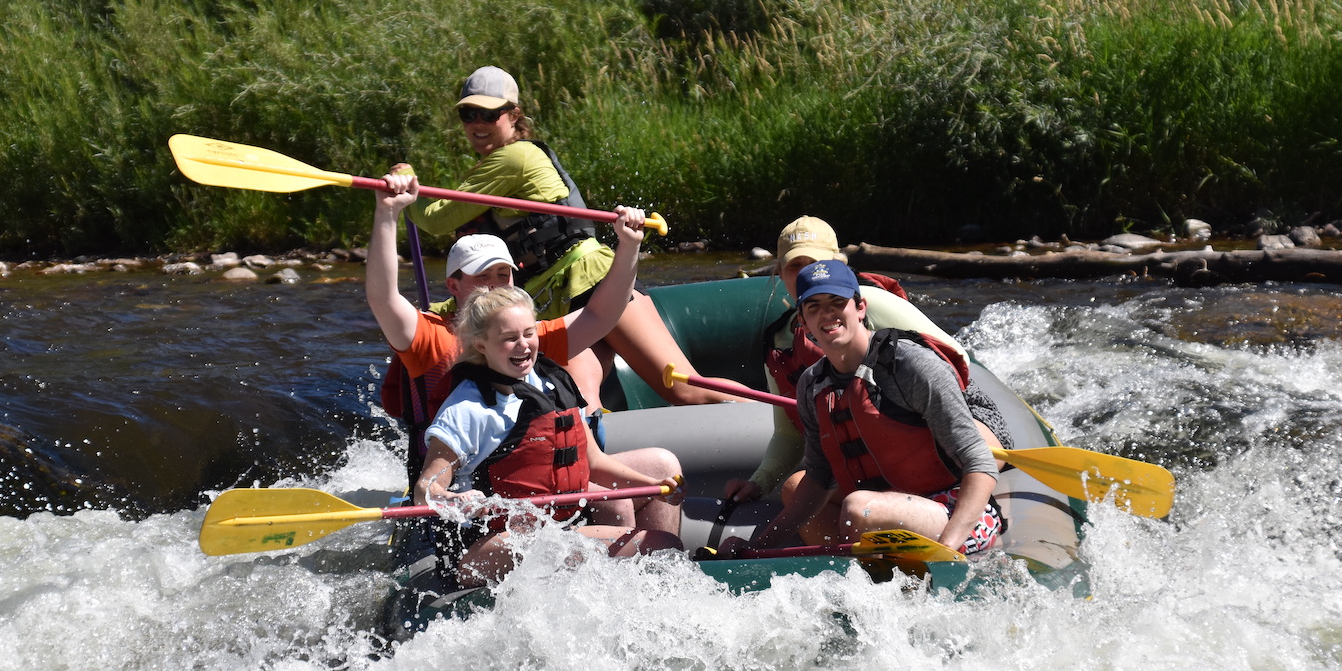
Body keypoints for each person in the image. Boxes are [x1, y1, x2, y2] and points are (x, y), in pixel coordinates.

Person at [402, 65, 730, 408]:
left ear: (513, 115)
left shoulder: (514, 157)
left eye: (489, 113)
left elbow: (436, 219)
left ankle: (777, 421)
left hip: (589, 280)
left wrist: (405, 181)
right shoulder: (496, 163)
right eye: (469, 114)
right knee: (582, 402)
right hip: (554, 299)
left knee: (685, 389)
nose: (478, 124)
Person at [367, 172, 651, 516]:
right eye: (481, 277)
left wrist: (629, 244)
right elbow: (383, 299)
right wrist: (388, 212)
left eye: (503, 276)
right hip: (475, 493)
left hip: (543, 483)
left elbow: (602, 315)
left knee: (657, 469)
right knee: (616, 505)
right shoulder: (430, 337)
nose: (495, 287)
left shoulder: (529, 339)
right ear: (453, 286)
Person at [722, 261, 1009, 556]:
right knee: (799, 487)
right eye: (814, 306)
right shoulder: (812, 384)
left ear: (860, 308)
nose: (827, 313)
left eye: (837, 302)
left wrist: (949, 547)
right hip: (880, 508)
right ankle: (846, 577)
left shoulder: (910, 366)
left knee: (859, 509)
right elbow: (819, 480)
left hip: (954, 510)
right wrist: (757, 548)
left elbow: (980, 463)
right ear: (803, 322)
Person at [418, 285, 684, 586]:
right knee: (662, 546)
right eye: (509, 338)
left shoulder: (552, 382)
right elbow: (426, 488)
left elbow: (592, 462)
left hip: (557, 522)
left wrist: (652, 486)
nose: (523, 345)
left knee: (662, 465)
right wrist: (455, 498)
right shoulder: (467, 409)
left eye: (528, 333)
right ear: (481, 345)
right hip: (493, 543)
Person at [722, 217, 969, 510]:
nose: (807, 273)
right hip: (857, 468)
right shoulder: (779, 342)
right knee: (794, 487)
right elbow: (789, 433)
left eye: (816, 263)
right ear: (779, 273)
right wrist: (759, 482)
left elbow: (954, 361)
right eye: (794, 266)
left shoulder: (871, 304)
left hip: (925, 439)